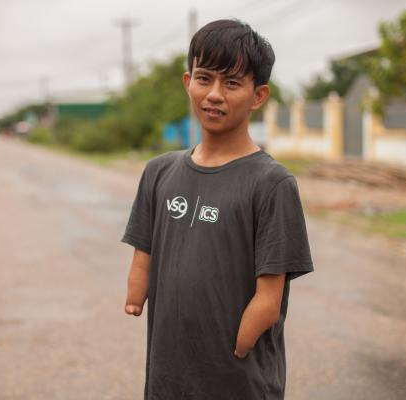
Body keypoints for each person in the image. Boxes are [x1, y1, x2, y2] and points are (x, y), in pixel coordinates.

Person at [120, 18, 314, 400]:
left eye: (232, 83)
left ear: (258, 96)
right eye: (204, 78)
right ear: (187, 81)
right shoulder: (159, 172)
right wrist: (134, 295)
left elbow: (269, 297)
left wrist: (239, 347)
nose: (214, 94)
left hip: (237, 383)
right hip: (167, 380)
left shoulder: (271, 184)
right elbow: (144, 253)